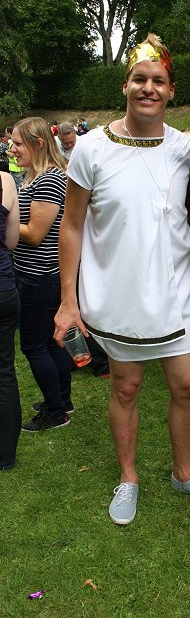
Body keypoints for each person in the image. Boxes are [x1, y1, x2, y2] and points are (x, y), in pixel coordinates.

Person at [54, 33, 190, 526]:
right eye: (139, 79)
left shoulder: (185, 150)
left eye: (158, 81)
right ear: (125, 86)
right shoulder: (90, 149)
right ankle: (128, 477)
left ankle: (184, 471)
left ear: (172, 92)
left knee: (187, 387)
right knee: (125, 389)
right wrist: (69, 300)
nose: (148, 88)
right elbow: (72, 223)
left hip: (172, 293)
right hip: (117, 294)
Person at [11, 117, 73, 432]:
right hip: (38, 274)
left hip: (40, 275)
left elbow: (35, 233)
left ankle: (55, 412)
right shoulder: (34, 176)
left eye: (18, 143)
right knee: (51, 343)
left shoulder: (49, 179)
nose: (12, 148)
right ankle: (62, 400)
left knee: (34, 346)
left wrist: (5, 224)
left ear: (37, 144)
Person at [0, 171, 21, 469]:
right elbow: (12, 240)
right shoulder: (5, 181)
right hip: (3, 288)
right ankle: (5, 456)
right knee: (4, 369)